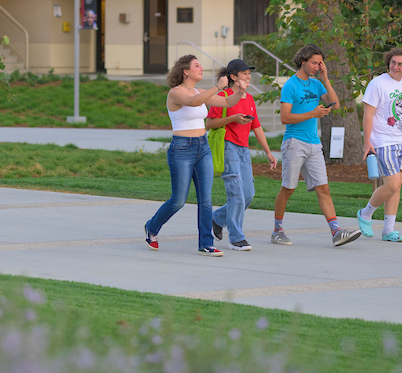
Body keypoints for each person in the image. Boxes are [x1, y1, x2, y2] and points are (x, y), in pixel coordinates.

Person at [144, 55, 242, 256]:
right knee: (178, 200)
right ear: (185, 71)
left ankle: (205, 243)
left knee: (205, 199)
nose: (201, 68)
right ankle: (152, 227)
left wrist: (239, 91)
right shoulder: (175, 93)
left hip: (202, 147)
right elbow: (192, 102)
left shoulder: (200, 92)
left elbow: (226, 102)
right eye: (196, 65)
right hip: (181, 149)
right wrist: (217, 86)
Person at [271, 44, 362, 248]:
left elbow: (335, 104)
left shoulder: (316, 84)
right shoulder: (290, 86)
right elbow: (285, 118)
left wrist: (326, 79)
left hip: (314, 144)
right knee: (288, 188)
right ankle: (277, 230)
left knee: (324, 188)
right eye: (314, 62)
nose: (317, 66)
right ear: (302, 61)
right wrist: (313, 113)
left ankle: (336, 232)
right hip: (294, 143)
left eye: (320, 63)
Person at [357, 48, 402, 242]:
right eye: (393, 62)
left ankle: (388, 230)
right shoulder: (377, 84)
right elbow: (368, 114)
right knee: (391, 185)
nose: (395, 67)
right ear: (388, 62)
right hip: (383, 142)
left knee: (396, 188)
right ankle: (365, 213)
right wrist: (367, 141)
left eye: (400, 64)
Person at [207, 58, 277, 251]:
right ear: (233, 77)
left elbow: (257, 127)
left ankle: (218, 218)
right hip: (228, 147)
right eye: (245, 73)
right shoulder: (223, 96)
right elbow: (210, 123)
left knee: (248, 194)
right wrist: (233, 118)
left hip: (244, 150)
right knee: (236, 193)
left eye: (249, 73)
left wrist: (268, 152)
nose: (248, 76)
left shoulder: (250, 99)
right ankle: (236, 237)